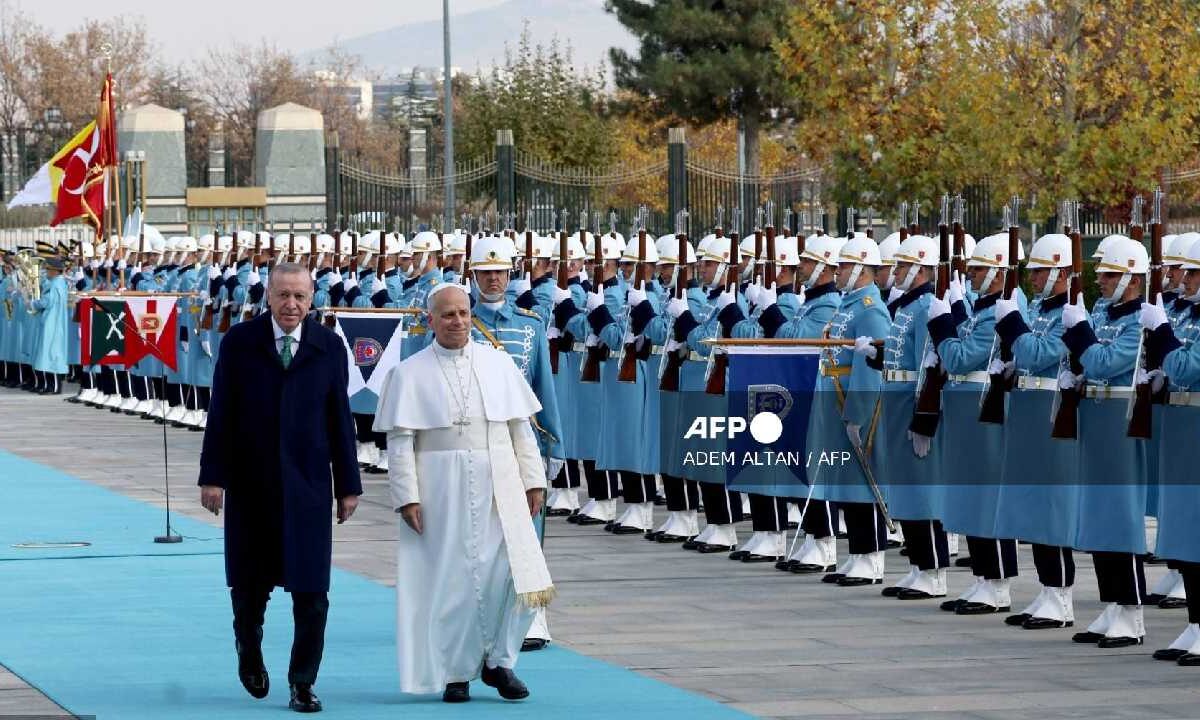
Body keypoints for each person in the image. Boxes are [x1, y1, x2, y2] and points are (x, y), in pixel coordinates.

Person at [373, 282, 554, 703]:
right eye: (448, 315)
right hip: (440, 486)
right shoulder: (409, 373)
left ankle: (498, 661)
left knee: (514, 575)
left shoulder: (498, 364)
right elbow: (400, 442)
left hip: (500, 482)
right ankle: (456, 671)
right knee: (453, 580)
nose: (457, 321)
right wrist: (407, 496)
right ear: (430, 320)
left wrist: (533, 481)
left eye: (463, 313)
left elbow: (520, 429)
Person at [198, 262, 362, 714]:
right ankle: (247, 649)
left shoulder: (328, 346)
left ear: (313, 300)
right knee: (249, 588)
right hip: (252, 484)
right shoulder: (240, 342)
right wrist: (213, 476)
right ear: (268, 296)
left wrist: (347, 486)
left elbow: (339, 420)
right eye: (283, 295)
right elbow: (222, 413)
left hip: (308, 486)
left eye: (301, 297)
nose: (292, 305)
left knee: (312, 593)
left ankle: (302, 682)